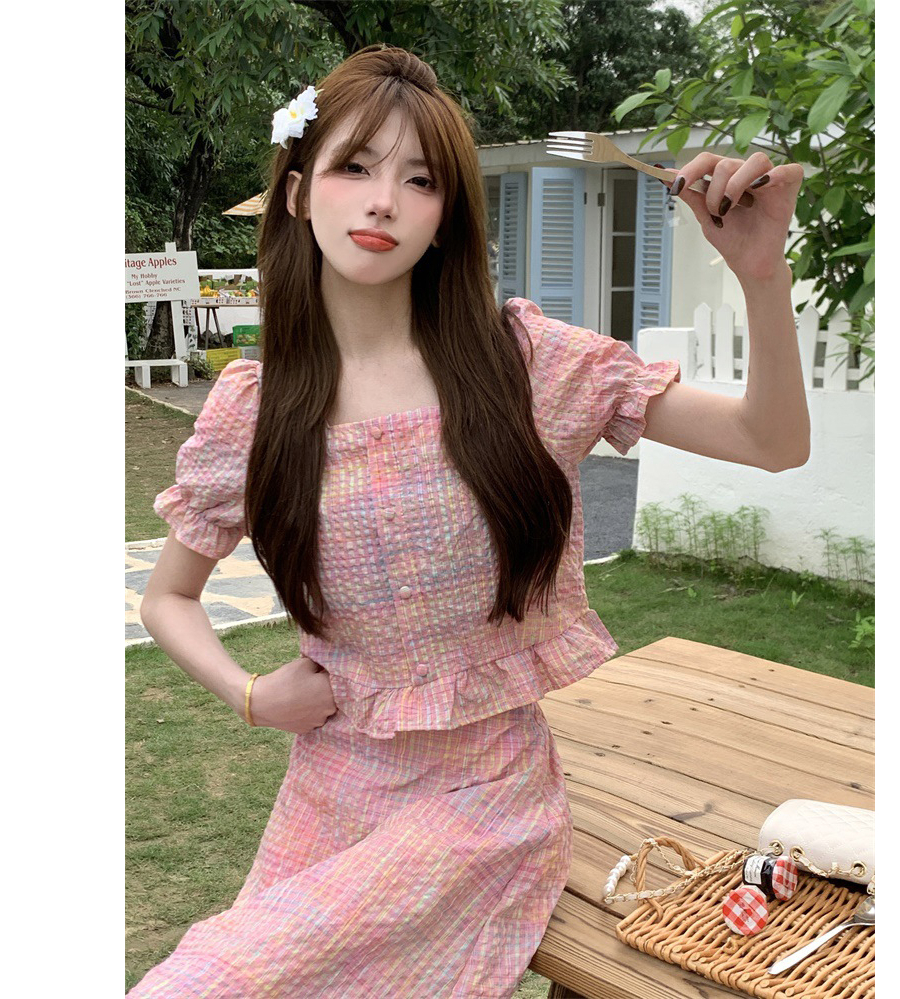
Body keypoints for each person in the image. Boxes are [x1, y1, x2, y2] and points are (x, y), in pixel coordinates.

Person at [129, 43, 809, 999]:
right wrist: (250, 694)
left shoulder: (524, 364)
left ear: (445, 215)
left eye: (419, 180)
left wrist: (761, 277)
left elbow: (770, 441)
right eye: (354, 167)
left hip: (483, 797)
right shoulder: (257, 407)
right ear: (297, 192)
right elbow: (167, 597)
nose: (383, 202)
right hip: (330, 787)